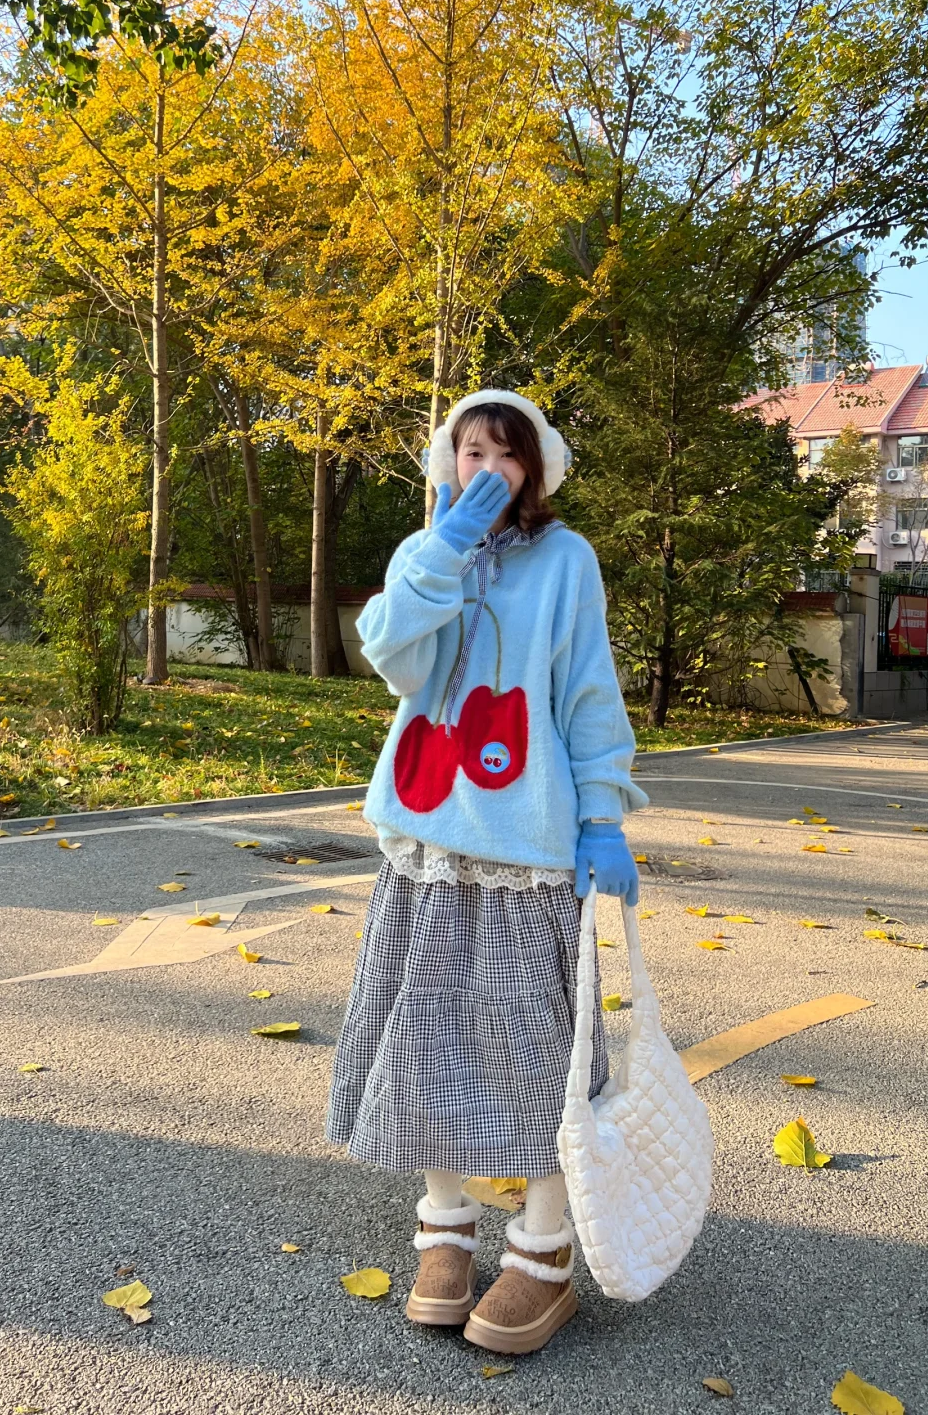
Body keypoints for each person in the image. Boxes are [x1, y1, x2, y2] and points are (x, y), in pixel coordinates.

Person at [326, 390, 647, 1355]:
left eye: (508, 454)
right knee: (424, 1035)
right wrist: (446, 547)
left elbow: (587, 690)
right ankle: (446, 1233)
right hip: (426, 834)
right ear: (449, 462)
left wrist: (602, 816)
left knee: (538, 1048)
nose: (489, 469)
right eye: (473, 451)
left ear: (535, 469)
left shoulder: (568, 558)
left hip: (529, 843)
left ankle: (543, 1251)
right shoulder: (423, 553)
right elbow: (392, 655)